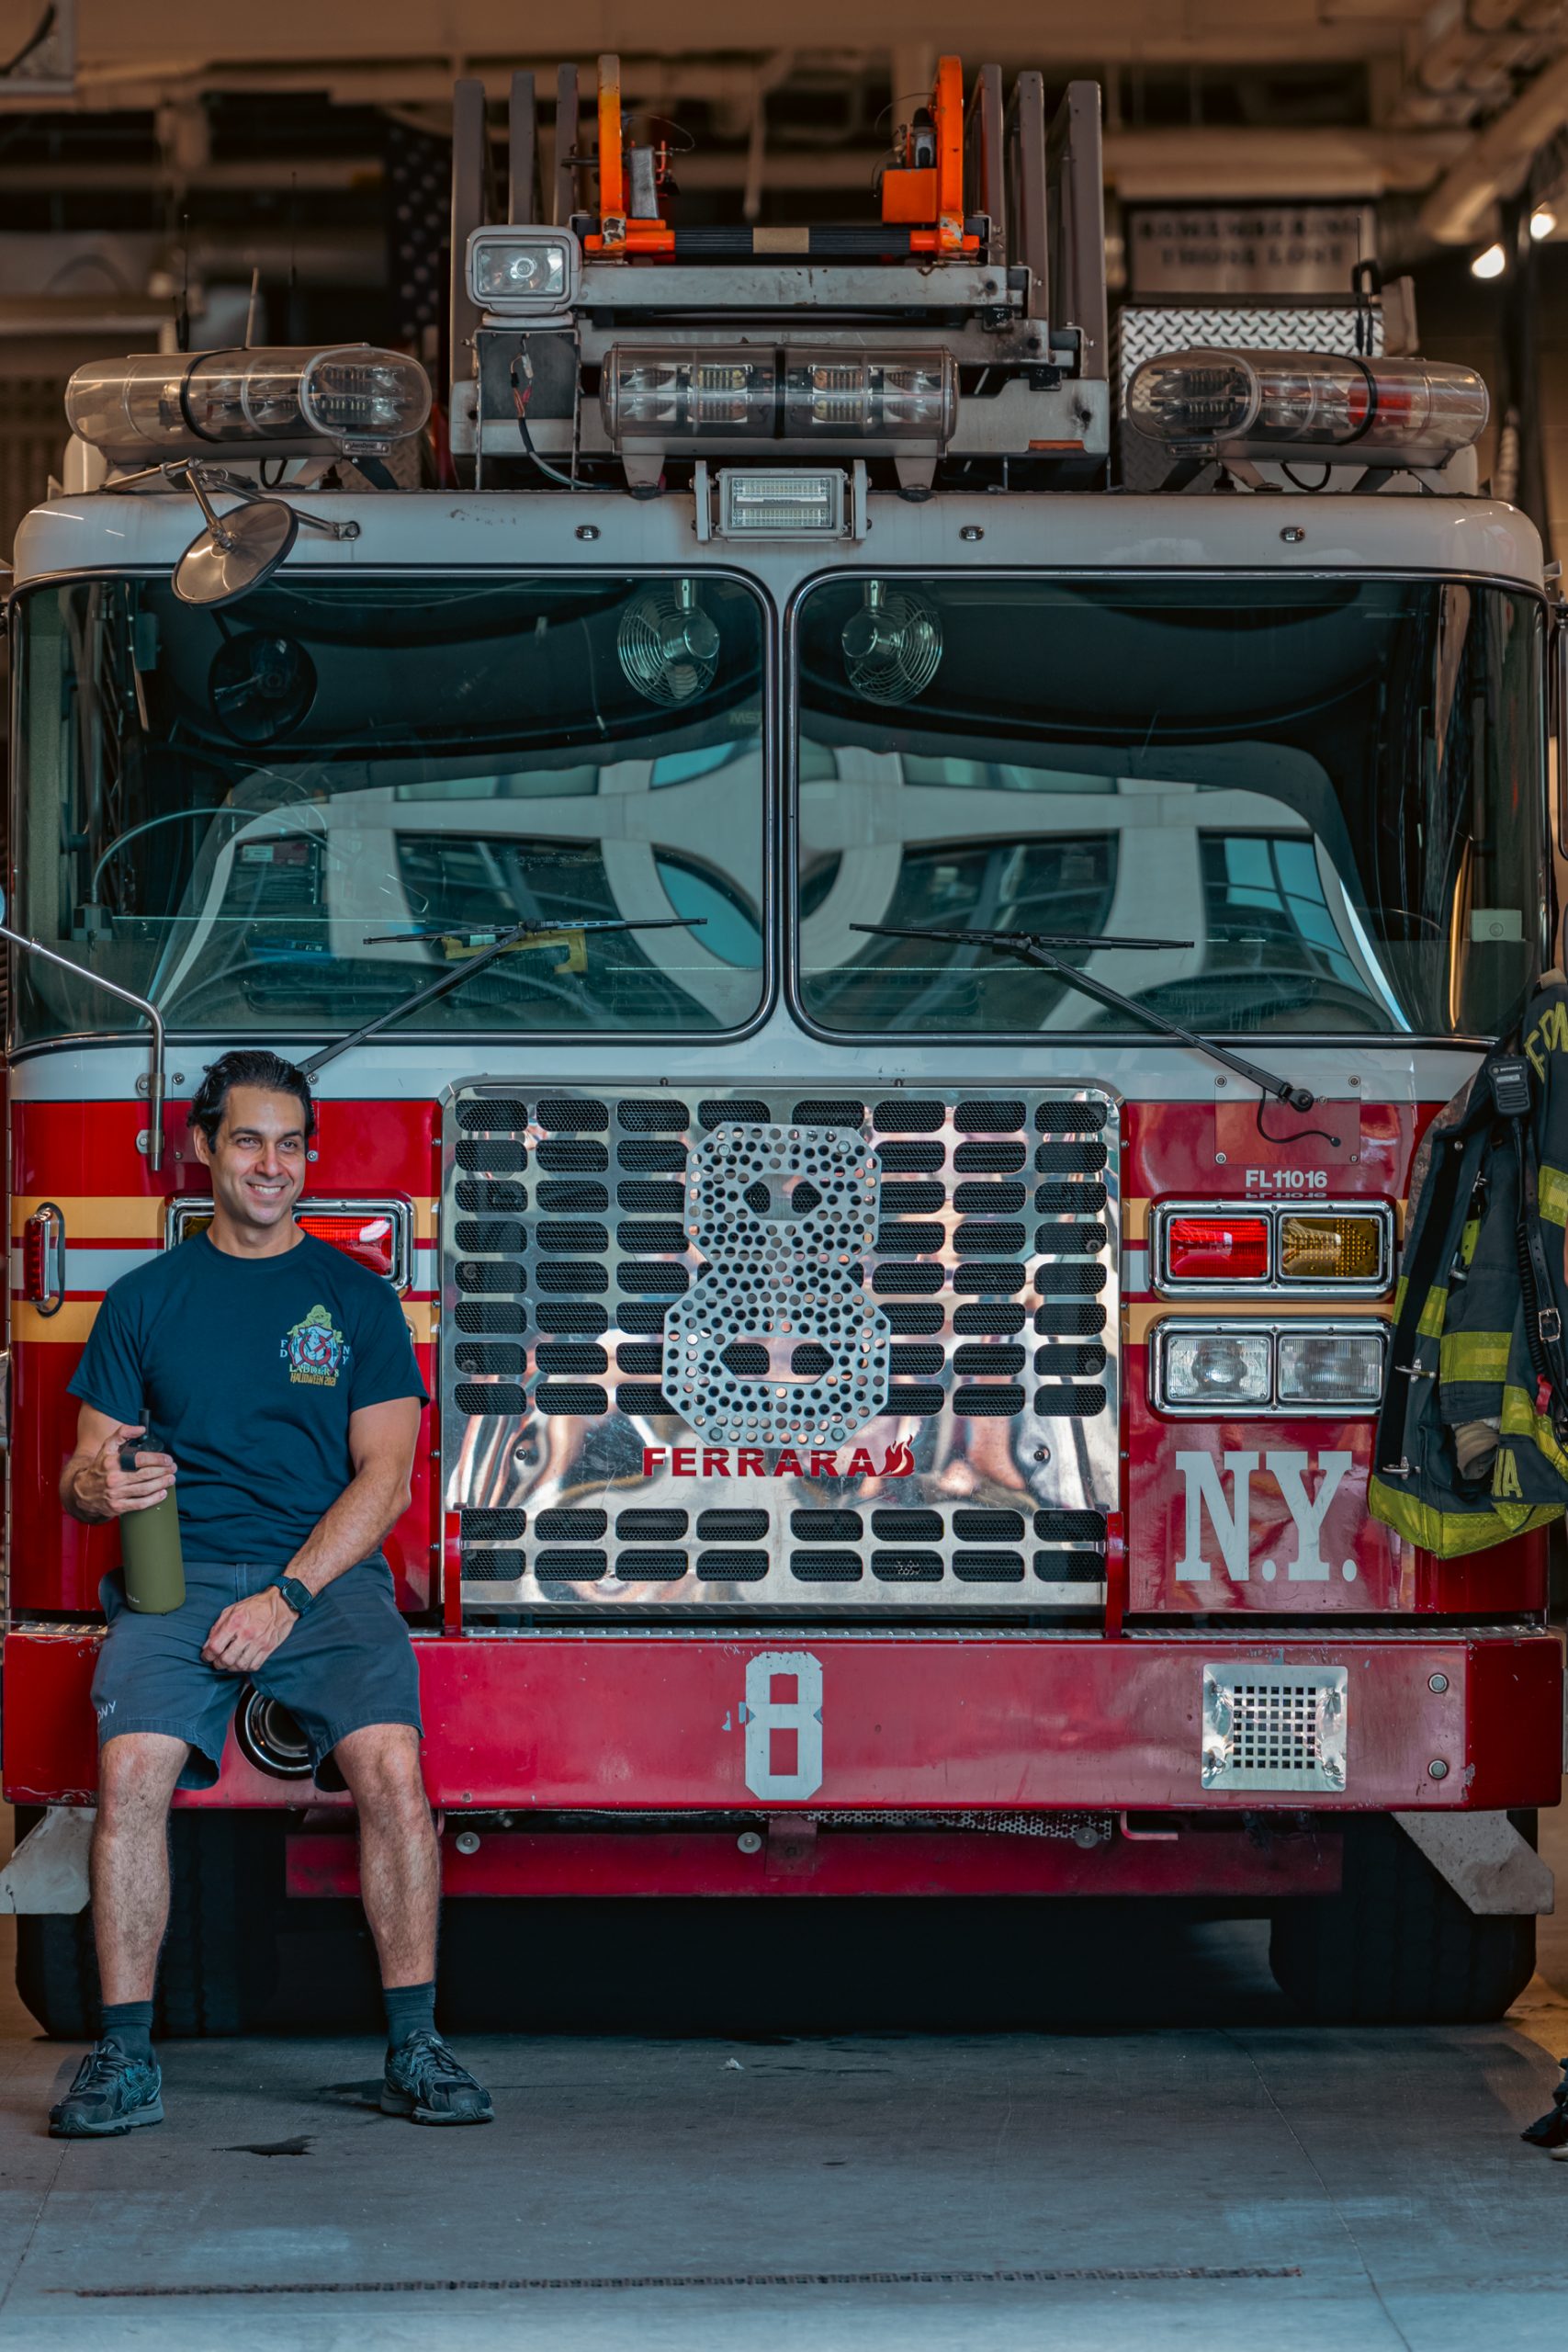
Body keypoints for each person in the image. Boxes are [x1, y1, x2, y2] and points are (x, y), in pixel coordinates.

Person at [47, 1047, 491, 2136]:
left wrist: (289, 1596)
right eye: (249, 1139)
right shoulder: (144, 1301)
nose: (272, 1164)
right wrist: (102, 1484)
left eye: (291, 1144)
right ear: (203, 1149)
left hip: (323, 1581)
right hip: (178, 1575)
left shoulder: (355, 1297)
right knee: (132, 1768)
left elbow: (386, 1475)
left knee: (391, 1765)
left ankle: (416, 2045)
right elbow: (79, 1472)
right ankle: (123, 2055)